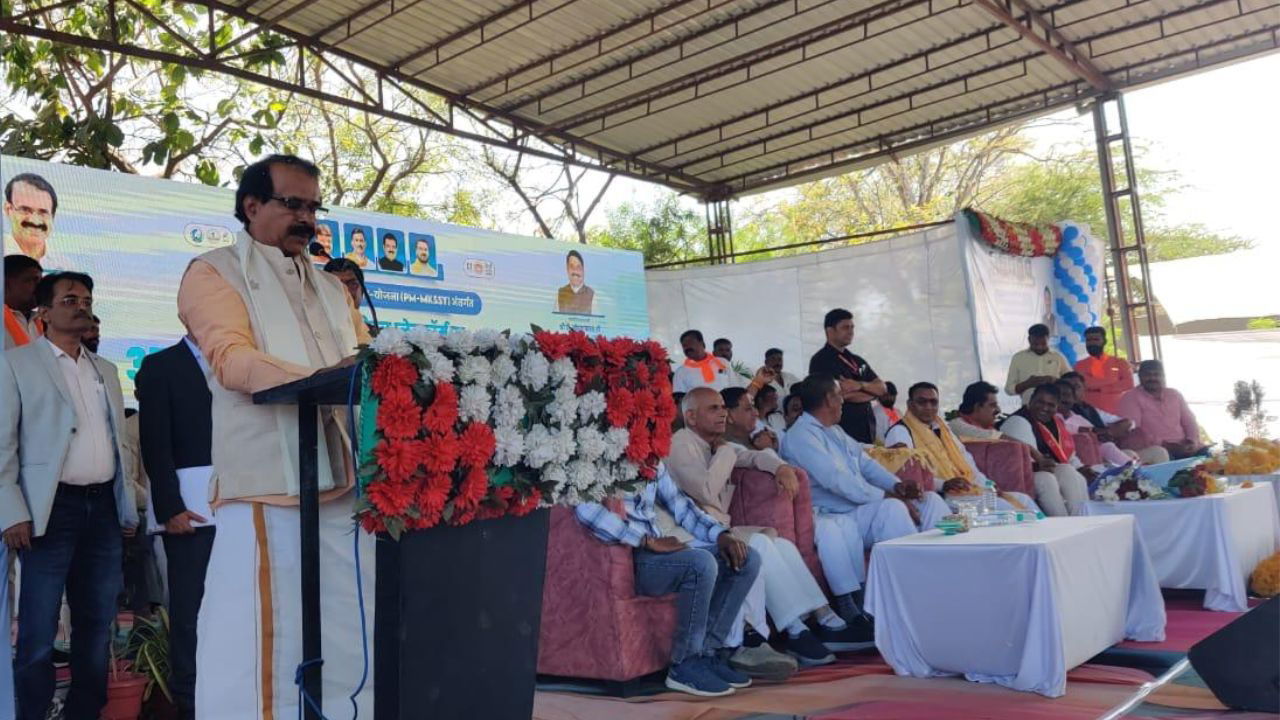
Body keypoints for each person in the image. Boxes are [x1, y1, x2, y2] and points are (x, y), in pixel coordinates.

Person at [175, 154, 374, 719]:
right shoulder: (213, 272)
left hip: (342, 479)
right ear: (252, 205)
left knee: (348, 632)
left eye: (313, 206)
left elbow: (361, 361)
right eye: (293, 204)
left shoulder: (334, 289)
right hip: (270, 486)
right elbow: (233, 361)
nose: (306, 217)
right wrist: (319, 384)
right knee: (269, 637)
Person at [0, 271, 139, 720]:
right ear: (43, 313)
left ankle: (84, 712)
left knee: (97, 627)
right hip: (48, 511)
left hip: (101, 510)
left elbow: (119, 445)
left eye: (87, 298)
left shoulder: (106, 370)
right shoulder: (17, 365)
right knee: (39, 632)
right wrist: (11, 511)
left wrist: (123, 505)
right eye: (70, 299)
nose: (82, 305)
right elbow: (4, 446)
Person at [671, 389, 863, 671]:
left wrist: (781, 467)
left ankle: (824, 620)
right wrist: (725, 451)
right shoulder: (681, 443)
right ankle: (795, 630)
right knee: (758, 546)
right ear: (690, 416)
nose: (723, 413)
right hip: (693, 536)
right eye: (714, 408)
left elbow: (752, 457)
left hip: (719, 530)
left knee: (781, 543)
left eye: (723, 407)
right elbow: (706, 491)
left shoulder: (716, 444)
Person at [575, 467, 761, 697]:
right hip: (632, 558)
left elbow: (683, 509)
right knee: (700, 563)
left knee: (747, 559)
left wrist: (722, 535)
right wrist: (643, 539)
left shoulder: (652, 458)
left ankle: (707, 654)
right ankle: (684, 666)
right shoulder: (605, 454)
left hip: (660, 555)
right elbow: (586, 511)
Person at [783, 375, 949, 615]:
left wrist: (898, 487)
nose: (843, 402)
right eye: (840, 396)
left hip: (858, 510)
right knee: (891, 509)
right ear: (830, 399)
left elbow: (866, 464)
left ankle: (942, 568)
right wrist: (887, 498)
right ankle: (911, 592)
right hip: (835, 515)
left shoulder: (835, 431)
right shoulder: (801, 436)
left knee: (929, 499)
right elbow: (837, 481)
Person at [135, 336, 215, 720]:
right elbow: (154, 442)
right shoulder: (161, 365)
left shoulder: (238, 358)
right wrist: (171, 508)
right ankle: (189, 698)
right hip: (189, 511)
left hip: (240, 504)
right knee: (189, 606)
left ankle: (226, 689)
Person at [884, 383, 1039, 512]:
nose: (928, 407)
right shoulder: (900, 432)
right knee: (1003, 507)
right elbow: (905, 477)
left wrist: (988, 485)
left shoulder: (942, 429)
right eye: (922, 402)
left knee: (1023, 500)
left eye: (933, 402)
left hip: (965, 489)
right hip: (936, 497)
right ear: (910, 404)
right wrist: (944, 484)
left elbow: (967, 462)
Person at [998, 384, 1091, 516]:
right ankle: (1064, 523)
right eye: (1040, 402)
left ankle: (1081, 519)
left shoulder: (1052, 422)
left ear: (1057, 407)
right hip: (1018, 476)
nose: (1044, 408)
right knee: (1048, 478)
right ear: (1030, 401)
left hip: (1043, 471)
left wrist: (1080, 467)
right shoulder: (1019, 421)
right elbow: (1025, 462)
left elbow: (1065, 455)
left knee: (1070, 472)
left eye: (1050, 405)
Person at [808, 309, 886, 444]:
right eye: (845, 327)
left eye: (852, 327)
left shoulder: (857, 360)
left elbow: (882, 388)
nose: (850, 331)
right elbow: (838, 395)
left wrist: (860, 385)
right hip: (842, 432)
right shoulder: (821, 360)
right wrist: (871, 393)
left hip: (867, 431)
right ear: (830, 331)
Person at [1061, 372, 1169, 465]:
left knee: (1159, 452)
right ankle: (1139, 484)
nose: (1073, 391)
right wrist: (1098, 434)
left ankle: (1159, 488)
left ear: (1084, 388)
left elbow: (1130, 423)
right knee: (1129, 455)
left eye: (1076, 387)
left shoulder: (1091, 409)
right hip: (1092, 460)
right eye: (1068, 389)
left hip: (1111, 453)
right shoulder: (1062, 413)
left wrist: (1110, 432)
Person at [1117, 360, 1207, 460]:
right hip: (1157, 451)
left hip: (1184, 446)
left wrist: (1192, 441)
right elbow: (1134, 432)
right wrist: (1166, 445)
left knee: (1213, 460)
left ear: (1163, 376)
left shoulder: (1174, 394)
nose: (1153, 378)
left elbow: (1190, 421)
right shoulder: (1130, 397)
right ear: (1140, 376)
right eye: (1148, 374)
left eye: (1157, 374)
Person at [673, 330, 771, 394]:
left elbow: (736, 391)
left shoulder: (722, 362)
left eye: (690, 343)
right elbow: (680, 401)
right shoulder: (680, 373)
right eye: (684, 346)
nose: (687, 348)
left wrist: (759, 381)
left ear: (702, 344)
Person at [3, 173, 64, 271]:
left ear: (52, 216)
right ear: (8, 209)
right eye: (25, 209)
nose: (35, 220)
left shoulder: (64, 266)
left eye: (43, 212)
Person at [1005, 323, 1070, 405]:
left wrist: (1054, 381)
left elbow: (1070, 383)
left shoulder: (1058, 357)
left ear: (1048, 339)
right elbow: (1009, 390)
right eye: (1035, 344)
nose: (1039, 347)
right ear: (1029, 339)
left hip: (1055, 408)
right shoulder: (1018, 358)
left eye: (1043, 344)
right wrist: (1028, 383)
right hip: (1028, 408)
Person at [1073, 326, 1133, 414]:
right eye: (1088, 340)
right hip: (1089, 414)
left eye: (1096, 339)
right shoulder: (1079, 365)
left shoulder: (1120, 363)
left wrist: (1099, 389)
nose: (1092, 343)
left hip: (1117, 413)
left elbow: (1128, 384)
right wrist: (1112, 383)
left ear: (1104, 341)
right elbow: (1085, 384)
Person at [4, 254, 43, 350]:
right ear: (6, 284)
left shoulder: (41, 320)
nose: (40, 287)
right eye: (33, 280)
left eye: (41, 281)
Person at [723, 387, 778, 452]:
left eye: (754, 407)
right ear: (729, 415)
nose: (756, 413)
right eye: (748, 409)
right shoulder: (726, 448)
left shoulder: (757, 440)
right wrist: (768, 450)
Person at [555, 250, 594, 314]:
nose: (575, 271)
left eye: (578, 267)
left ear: (583, 270)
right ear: (567, 269)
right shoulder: (560, 293)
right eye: (571, 266)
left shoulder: (592, 294)